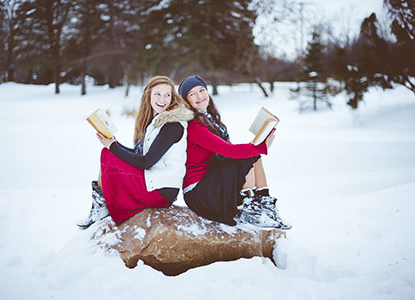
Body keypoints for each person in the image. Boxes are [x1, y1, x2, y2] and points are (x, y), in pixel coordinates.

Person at [77, 76, 194, 229]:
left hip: (161, 190)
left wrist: (113, 147)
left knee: (108, 154)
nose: (162, 99)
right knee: (109, 153)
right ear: (149, 96)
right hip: (156, 182)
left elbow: (147, 162)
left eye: (167, 95)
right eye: (157, 94)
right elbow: (141, 155)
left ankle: (102, 206)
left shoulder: (172, 125)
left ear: (172, 98)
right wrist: (114, 144)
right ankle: (102, 204)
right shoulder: (157, 122)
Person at [178, 75, 291, 229]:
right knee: (245, 157)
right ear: (187, 101)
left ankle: (264, 203)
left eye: (201, 90)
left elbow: (228, 151)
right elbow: (227, 151)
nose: (199, 96)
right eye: (192, 94)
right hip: (199, 191)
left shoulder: (210, 119)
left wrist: (259, 143)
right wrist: (260, 146)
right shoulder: (194, 126)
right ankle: (248, 207)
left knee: (252, 155)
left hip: (212, 182)